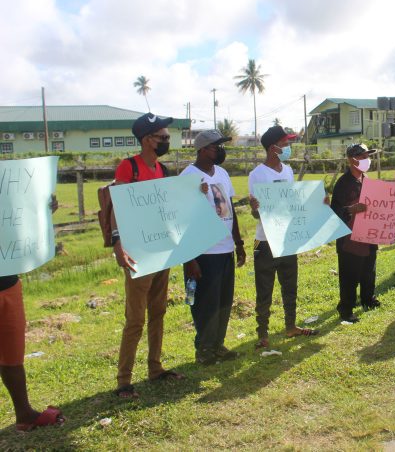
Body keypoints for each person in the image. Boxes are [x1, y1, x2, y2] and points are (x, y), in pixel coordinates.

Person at [112, 113, 185, 398]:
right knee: (135, 319)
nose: (167, 141)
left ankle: (155, 368)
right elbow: (117, 209)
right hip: (137, 252)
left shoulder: (163, 170)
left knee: (159, 311)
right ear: (147, 140)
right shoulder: (128, 168)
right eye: (163, 137)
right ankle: (123, 380)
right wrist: (118, 245)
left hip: (161, 249)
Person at [248, 125, 318, 349]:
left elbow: (293, 203)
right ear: (273, 147)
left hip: (287, 238)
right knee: (264, 288)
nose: (288, 147)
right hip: (265, 241)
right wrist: (255, 208)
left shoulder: (287, 171)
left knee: (290, 285)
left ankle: (291, 326)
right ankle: (263, 334)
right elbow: (256, 213)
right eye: (285, 144)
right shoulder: (257, 174)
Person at [181, 130, 246, 365]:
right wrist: (189, 259)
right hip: (203, 253)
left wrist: (238, 243)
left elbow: (230, 208)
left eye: (221, 145)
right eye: (216, 146)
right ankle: (204, 348)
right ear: (202, 150)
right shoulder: (188, 176)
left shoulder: (223, 174)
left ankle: (217, 344)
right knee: (202, 302)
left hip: (225, 249)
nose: (220, 150)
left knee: (223, 302)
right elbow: (182, 221)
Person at [1, 196, 65, 432]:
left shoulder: (7, 183)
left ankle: (24, 413)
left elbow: (17, 217)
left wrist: (41, 211)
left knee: (12, 353)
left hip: (8, 283)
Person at [330, 143, 380, 323]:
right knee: (349, 276)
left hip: (368, 235)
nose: (368, 160)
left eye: (368, 156)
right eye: (364, 157)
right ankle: (346, 309)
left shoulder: (367, 180)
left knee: (368, 270)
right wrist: (351, 209)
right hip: (349, 239)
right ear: (352, 160)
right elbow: (334, 212)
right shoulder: (343, 184)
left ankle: (368, 299)